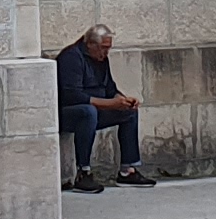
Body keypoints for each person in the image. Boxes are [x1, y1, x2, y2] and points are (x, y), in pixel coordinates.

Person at [56, 25, 153, 192]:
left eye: (108, 48)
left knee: (129, 112)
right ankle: (83, 172)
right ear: (90, 44)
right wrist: (110, 104)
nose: (106, 52)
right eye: (103, 48)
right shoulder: (71, 57)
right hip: (69, 113)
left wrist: (122, 100)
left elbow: (109, 89)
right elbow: (72, 96)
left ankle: (127, 170)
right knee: (88, 112)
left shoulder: (101, 59)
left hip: (95, 110)